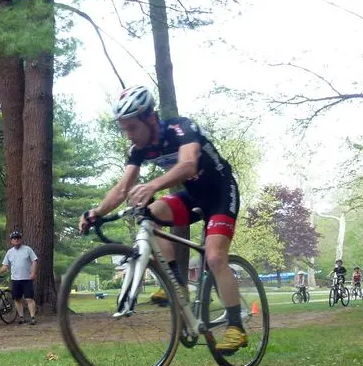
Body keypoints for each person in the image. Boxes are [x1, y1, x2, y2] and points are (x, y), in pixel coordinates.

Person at [80, 85, 246, 352]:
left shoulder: (181, 129)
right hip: (192, 195)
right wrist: (97, 212)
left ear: (150, 118)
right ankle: (177, 284)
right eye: (125, 129)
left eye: (132, 127)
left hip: (220, 194)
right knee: (150, 214)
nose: (129, 135)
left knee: (215, 258)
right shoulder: (139, 149)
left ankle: (236, 326)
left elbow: (188, 164)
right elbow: (122, 189)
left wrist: (153, 185)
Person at [0, 229, 38, 324]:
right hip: (15, 279)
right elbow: (5, 265)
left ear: (21, 239)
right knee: (17, 299)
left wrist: (33, 273)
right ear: (11, 241)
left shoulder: (28, 249)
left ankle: (32, 318)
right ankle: (21, 317)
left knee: (29, 299)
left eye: (18, 238)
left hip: (27, 279)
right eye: (14, 238)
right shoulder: (9, 252)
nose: (16, 240)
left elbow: (35, 261)